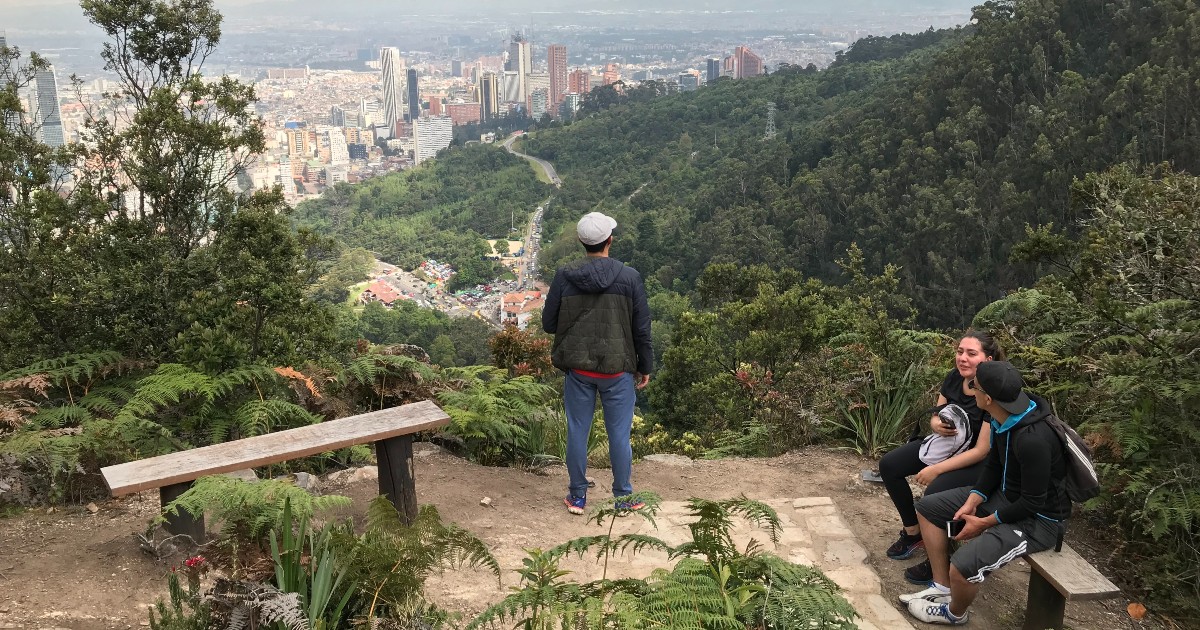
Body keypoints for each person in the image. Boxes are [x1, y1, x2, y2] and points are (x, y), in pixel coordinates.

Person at [901, 360, 1071, 625]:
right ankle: (942, 588)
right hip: (1005, 497)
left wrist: (983, 523)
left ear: (988, 398)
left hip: (1038, 521)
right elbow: (994, 463)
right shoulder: (1004, 415)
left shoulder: (1033, 439)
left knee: (962, 565)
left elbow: (1033, 502)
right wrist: (974, 498)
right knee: (928, 508)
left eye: (974, 386)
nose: (970, 389)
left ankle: (954, 613)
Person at [542, 211, 653, 515]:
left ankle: (577, 496)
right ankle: (622, 497)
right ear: (610, 241)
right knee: (619, 434)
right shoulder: (629, 277)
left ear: (581, 241)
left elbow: (549, 323)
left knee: (578, 429)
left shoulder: (565, 275)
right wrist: (646, 367)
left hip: (578, 369)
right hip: (618, 370)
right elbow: (641, 329)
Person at [877, 332, 1002, 585]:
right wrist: (935, 423)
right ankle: (913, 533)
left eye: (971, 353)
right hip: (945, 445)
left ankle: (942, 557)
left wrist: (937, 470)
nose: (962, 358)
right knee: (889, 465)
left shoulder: (994, 389)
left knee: (935, 492)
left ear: (987, 359)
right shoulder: (955, 377)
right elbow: (937, 411)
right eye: (960, 351)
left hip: (976, 462)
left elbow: (982, 450)